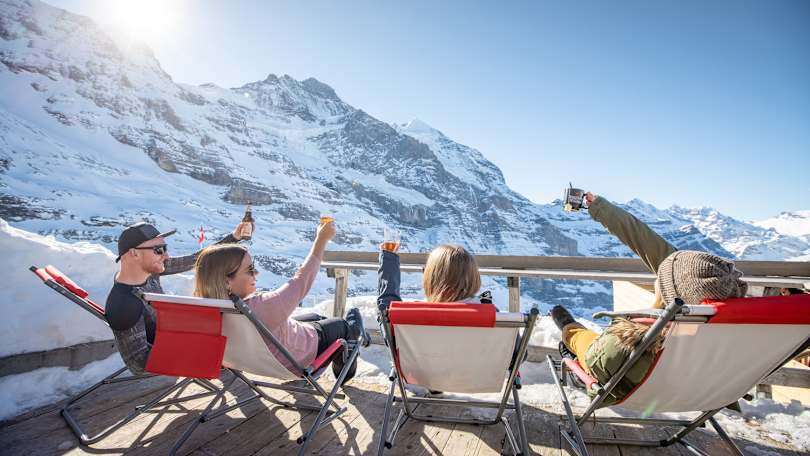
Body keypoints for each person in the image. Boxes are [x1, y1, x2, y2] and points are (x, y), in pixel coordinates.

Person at [550, 191, 748, 405]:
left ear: (670, 292)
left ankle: (568, 327)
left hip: (638, 386)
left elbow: (598, 361)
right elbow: (655, 249)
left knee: (579, 337)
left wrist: (577, 347)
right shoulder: (729, 318)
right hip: (706, 393)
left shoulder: (636, 341)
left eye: (662, 278)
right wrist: (600, 208)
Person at [193, 219, 367, 384]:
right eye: (250, 270)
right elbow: (301, 281)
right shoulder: (260, 308)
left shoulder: (204, 309)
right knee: (343, 326)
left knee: (316, 317)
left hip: (254, 360)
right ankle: (353, 347)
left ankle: (349, 331)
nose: (256, 274)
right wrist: (321, 240)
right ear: (226, 281)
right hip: (296, 360)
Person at [105, 220, 251, 374]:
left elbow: (195, 259)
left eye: (165, 248)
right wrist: (199, 353)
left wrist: (234, 237)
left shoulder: (149, 270)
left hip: (176, 332)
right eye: (158, 250)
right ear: (134, 253)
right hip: (172, 349)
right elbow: (139, 363)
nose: (166, 256)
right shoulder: (124, 304)